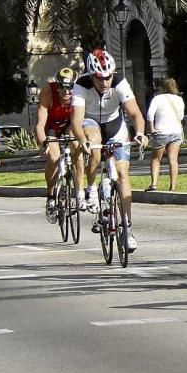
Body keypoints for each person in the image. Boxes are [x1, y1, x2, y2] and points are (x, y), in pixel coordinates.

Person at [71, 49, 149, 251]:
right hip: (91, 123)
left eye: (108, 77)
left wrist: (140, 133)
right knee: (94, 141)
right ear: (91, 75)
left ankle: (128, 227)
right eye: (99, 78)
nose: (104, 82)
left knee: (122, 175)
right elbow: (76, 121)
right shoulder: (81, 85)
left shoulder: (119, 82)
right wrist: (82, 140)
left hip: (115, 126)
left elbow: (135, 114)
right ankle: (91, 189)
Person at [35, 67, 84, 222]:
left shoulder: (80, 93)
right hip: (52, 127)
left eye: (70, 90)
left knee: (77, 146)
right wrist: (44, 143)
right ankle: (50, 196)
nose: (67, 93)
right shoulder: (48, 92)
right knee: (54, 157)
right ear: (57, 87)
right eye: (63, 89)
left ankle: (80, 191)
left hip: (71, 125)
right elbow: (40, 124)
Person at [145, 77, 184, 192]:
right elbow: (181, 117)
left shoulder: (157, 98)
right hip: (176, 132)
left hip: (161, 132)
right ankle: (172, 187)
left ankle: (154, 184)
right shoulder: (179, 99)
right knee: (173, 160)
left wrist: (152, 128)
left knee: (156, 159)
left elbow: (149, 115)